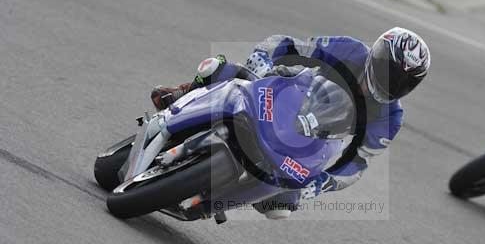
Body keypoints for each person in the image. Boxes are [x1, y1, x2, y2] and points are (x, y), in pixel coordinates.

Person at [151, 28, 431, 219]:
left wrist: (322, 185)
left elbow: (358, 161)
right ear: (376, 54)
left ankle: (208, 204)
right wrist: (263, 59)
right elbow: (288, 44)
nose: (390, 82)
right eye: (387, 70)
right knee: (223, 69)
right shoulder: (349, 50)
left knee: (280, 207)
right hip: (284, 96)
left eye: (402, 81)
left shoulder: (390, 117)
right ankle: (182, 94)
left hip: (307, 144)